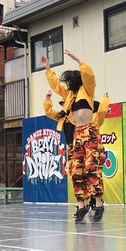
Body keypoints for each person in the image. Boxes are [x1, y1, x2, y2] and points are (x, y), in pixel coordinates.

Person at [42, 50, 106, 222]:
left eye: (71, 81)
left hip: (90, 132)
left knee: (92, 168)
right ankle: (81, 205)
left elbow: (89, 75)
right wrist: (48, 68)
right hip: (77, 134)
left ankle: (98, 204)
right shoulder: (69, 96)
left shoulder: (88, 90)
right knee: (76, 171)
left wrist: (78, 60)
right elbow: (56, 85)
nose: (68, 84)